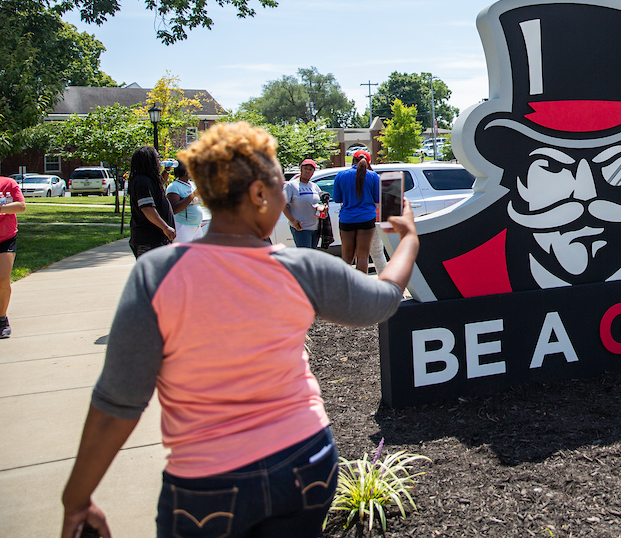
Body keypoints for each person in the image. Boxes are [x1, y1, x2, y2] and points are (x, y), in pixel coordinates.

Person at [59, 121, 419, 538]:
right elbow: (384, 299)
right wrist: (408, 239)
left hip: (205, 487)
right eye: (279, 181)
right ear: (258, 194)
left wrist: (77, 498)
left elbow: (117, 401)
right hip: (307, 463)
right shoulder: (300, 270)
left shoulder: (157, 274)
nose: (285, 191)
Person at [333, 150, 380, 273]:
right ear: (368, 163)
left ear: (352, 160)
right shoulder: (373, 176)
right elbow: (378, 200)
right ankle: (361, 289)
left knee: (347, 257)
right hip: (367, 218)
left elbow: (338, 199)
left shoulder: (340, 175)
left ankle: (345, 288)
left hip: (346, 218)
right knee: (363, 256)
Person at [128, 147, 175, 257]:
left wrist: (167, 171)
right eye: (157, 158)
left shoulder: (148, 180)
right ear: (148, 160)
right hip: (149, 239)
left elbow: (159, 184)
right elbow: (147, 208)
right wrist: (165, 227)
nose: (159, 162)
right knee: (153, 273)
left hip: (155, 238)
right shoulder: (142, 182)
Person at [0, 174, 27, 339]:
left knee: (3, 280)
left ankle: (2, 320)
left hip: (6, 238)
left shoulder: (7, 183)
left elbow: (21, 206)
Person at [283, 159, 322, 249]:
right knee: (305, 256)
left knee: (311, 255)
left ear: (313, 172)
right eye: (305, 168)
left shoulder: (314, 186)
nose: (307, 171)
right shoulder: (291, 185)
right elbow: (283, 204)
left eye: (310, 169)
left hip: (315, 227)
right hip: (300, 227)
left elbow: (320, 201)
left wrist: (323, 207)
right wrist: (292, 220)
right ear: (301, 169)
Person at [166, 162, 204, 243]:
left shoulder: (192, 184)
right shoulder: (174, 186)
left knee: (196, 254)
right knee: (182, 254)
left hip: (197, 227)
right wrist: (192, 195)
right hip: (183, 227)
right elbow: (174, 209)